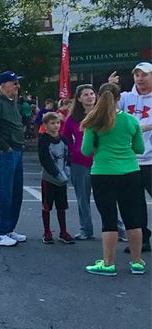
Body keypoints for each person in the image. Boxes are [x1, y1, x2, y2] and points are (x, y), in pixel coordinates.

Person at [80, 83, 145, 276]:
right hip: (130, 172)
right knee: (133, 219)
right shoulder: (131, 121)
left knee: (108, 220)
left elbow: (86, 150)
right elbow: (140, 148)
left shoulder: (94, 120)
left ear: (99, 96)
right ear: (119, 98)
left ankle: (108, 264)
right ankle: (137, 262)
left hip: (103, 173)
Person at [0, 72, 28, 247]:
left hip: (15, 151)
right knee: (3, 193)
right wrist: (5, 147)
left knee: (15, 193)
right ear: (2, 86)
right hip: (5, 153)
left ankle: (8, 228)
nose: (17, 86)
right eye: (13, 83)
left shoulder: (12, 103)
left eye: (17, 83)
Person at [113, 62, 152, 253]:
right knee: (135, 204)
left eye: (144, 75)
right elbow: (108, 111)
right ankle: (142, 240)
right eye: (137, 75)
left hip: (151, 160)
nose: (140, 78)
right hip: (129, 161)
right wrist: (111, 88)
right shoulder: (125, 97)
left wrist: (145, 127)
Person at [62, 84, 99, 240]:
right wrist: (73, 151)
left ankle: (118, 228)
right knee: (83, 199)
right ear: (79, 99)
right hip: (80, 162)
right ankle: (86, 229)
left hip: (102, 161)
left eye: (92, 93)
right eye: (85, 94)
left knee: (106, 197)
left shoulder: (103, 114)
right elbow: (65, 137)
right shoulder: (73, 118)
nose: (90, 97)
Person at [38, 112, 74, 244]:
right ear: (45, 125)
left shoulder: (63, 139)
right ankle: (47, 231)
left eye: (58, 123)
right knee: (47, 205)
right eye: (52, 123)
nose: (56, 126)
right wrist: (56, 174)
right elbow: (45, 159)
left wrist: (67, 170)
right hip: (49, 178)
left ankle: (63, 232)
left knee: (62, 206)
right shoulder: (44, 140)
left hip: (62, 178)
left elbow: (68, 155)